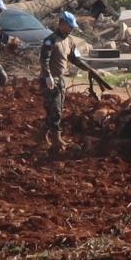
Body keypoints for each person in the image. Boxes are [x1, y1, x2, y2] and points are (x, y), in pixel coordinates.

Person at [39, 11, 83, 155]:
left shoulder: (69, 41)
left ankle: (42, 135)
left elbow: (74, 58)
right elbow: (44, 59)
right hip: (50, 80)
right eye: (69, 26)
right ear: (62, 24)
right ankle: (56, 139)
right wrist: (47, 76)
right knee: (55, 110)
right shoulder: (50, 40)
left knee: (58, 109)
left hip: (61, 80)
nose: (71, 29)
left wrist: (87, 68)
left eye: (72, 27)